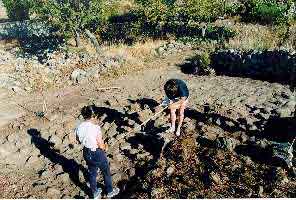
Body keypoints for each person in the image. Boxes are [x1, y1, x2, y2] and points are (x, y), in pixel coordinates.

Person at [75, 105, 120, 199]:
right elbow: (100, 145)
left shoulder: (79, 127)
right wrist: (105, 147)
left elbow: (78, 140)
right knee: (106, 172)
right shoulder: (96, 128)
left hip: (86, 152)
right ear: (94, 116)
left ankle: (95, 193)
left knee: (92, 172)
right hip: (97, 153)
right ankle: (110, 191)